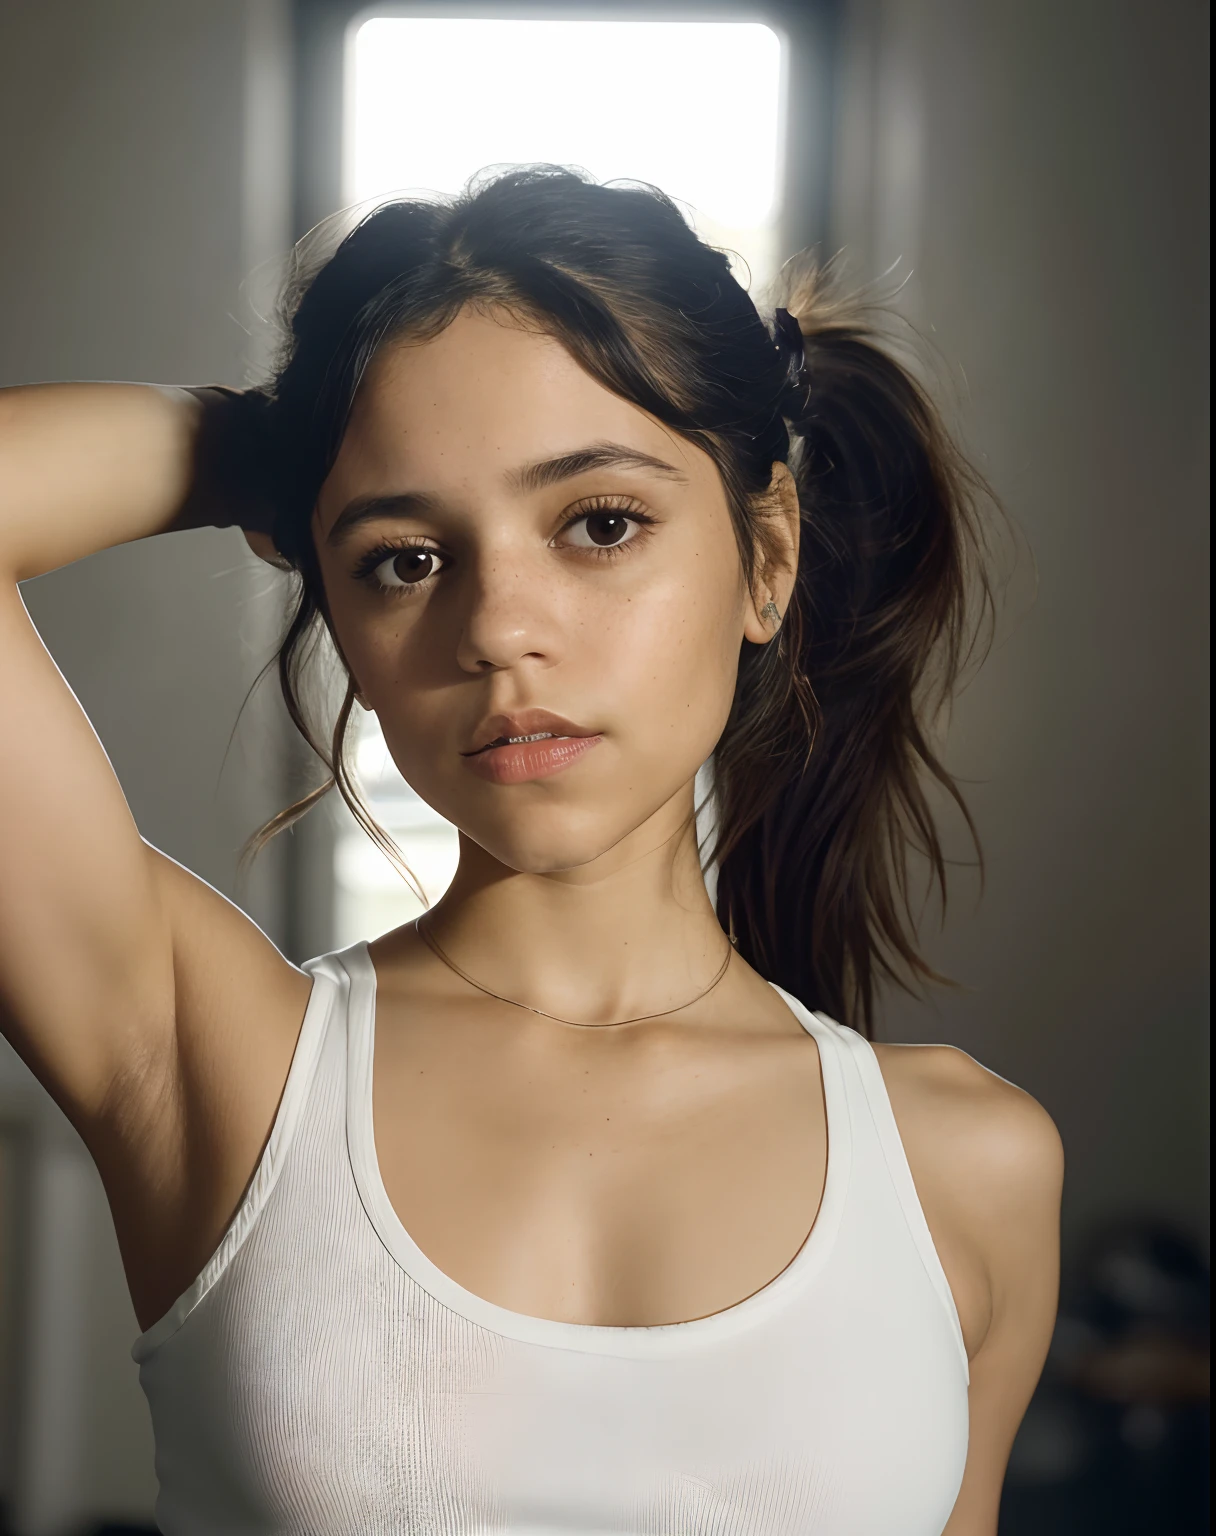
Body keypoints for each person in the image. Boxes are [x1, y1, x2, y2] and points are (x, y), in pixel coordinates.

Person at [0, 167, 1063, 1534]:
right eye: (404, 556)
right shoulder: (219, 1066)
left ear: (766, 560)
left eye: (600, 524)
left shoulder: (965, 1168)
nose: (501, 625)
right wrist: (267, 442)